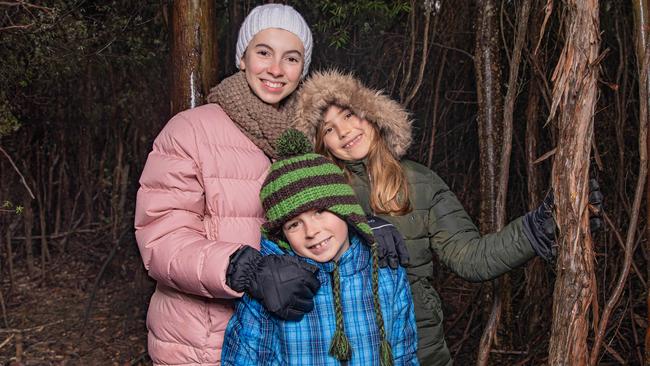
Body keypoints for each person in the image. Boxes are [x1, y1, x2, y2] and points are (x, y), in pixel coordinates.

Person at [293, 70, 565, 365]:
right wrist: (359, 231)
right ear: (321, 143)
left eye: (348, 115)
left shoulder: (421, 182)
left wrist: (536, 229)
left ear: (371, 112)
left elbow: (470, 257)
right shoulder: (317, 193)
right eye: (329, 129)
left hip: (421, 344)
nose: (344, 132)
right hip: (345, 348)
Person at [134, 5, 321, 365]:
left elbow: (328, 218)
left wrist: (368, 229)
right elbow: (160, 239)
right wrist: (245, 269)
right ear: (242, 57)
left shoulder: (307, 140)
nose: (276, 69)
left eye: (292, 58)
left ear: (303, 69)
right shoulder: (190, 130)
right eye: (263, 52)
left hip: (288, 342)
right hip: (203, 345)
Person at [221, 129, 419, 366]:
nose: (311, 231)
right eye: (294, 224)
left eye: (320, 212)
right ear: (281, 235)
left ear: (345, 208)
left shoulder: (386, 272)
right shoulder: (271, 290)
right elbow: (246, 360)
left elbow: (404, 355)